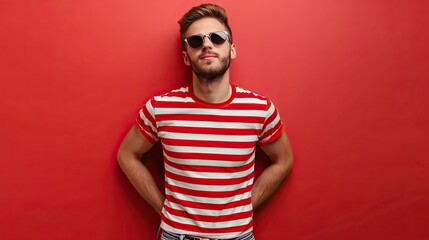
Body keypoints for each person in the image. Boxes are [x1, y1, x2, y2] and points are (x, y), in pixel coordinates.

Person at [117, 3, 294, 240]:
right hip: (176, 235)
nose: (207, 44)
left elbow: (284, 160)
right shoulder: (161, 108)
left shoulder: (260, 110)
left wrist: (245, 208)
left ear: (232, 49)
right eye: (196, 41)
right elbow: (127, 155)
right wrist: (164, 209)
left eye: (217, 38)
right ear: (186, 56)